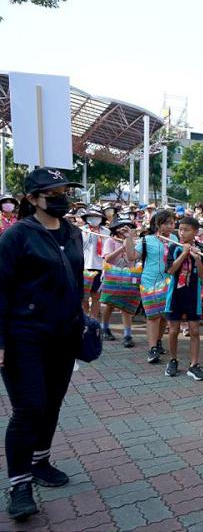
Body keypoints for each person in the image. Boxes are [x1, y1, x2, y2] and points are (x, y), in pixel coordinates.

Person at [0, 169, 85, 521]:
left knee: (51, 404)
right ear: (32, 199)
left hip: (63, 337)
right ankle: (19, 485)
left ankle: (40, 461)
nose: (62, 198)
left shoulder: (73, 233)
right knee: (29, 408)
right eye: (53, 193)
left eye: (65, 191)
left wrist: (83, 324)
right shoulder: (16, 236)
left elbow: (76, 283)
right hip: (24, 337)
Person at [126, 210, 178, 364]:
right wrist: (129, 238)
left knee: (164, 315)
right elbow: (132, 256)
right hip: (149, 283)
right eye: (167, 223)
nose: (171, 226)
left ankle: (158, 341)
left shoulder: (175, 239)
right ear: (157, 224)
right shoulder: (146, 240)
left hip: (169, 282)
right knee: (152, 316)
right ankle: (153, 348)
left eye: (172, 223)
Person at [164, 217, 203, 380]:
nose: (182, 233)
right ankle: (173, 360)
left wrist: (197, 259)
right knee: (173, 330)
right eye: (180, 229)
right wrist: (184, 253)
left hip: (193, 295)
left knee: (195, 330)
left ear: (195, 232)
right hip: (175, 294)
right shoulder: (174, 247)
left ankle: (194, 364)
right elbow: (171, 270)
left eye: (186, 230)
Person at [101, 214, 138, 348]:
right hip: (112, 276)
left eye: (128, 226)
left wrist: (129, 243)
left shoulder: (133, 241)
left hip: (128, 276)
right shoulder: (110, 241)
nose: (125, 228)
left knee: (126, 306)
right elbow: (107, 259)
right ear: (115, 228)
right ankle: (104, 328)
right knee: (109, 304)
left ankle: (127, 335)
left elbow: (134, 258)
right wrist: (122, 247)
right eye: (122, 226)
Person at [81, 206, 110, 320]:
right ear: (87, 217)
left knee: (96, 295)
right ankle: (84, 319)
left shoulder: (106, 232)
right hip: (84, 266)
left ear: (101, 218)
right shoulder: (81, 231)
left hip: (100, 267)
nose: (94, 218)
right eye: (91, 216)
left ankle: (93, 320)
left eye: (97, 216)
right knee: (84, 296)